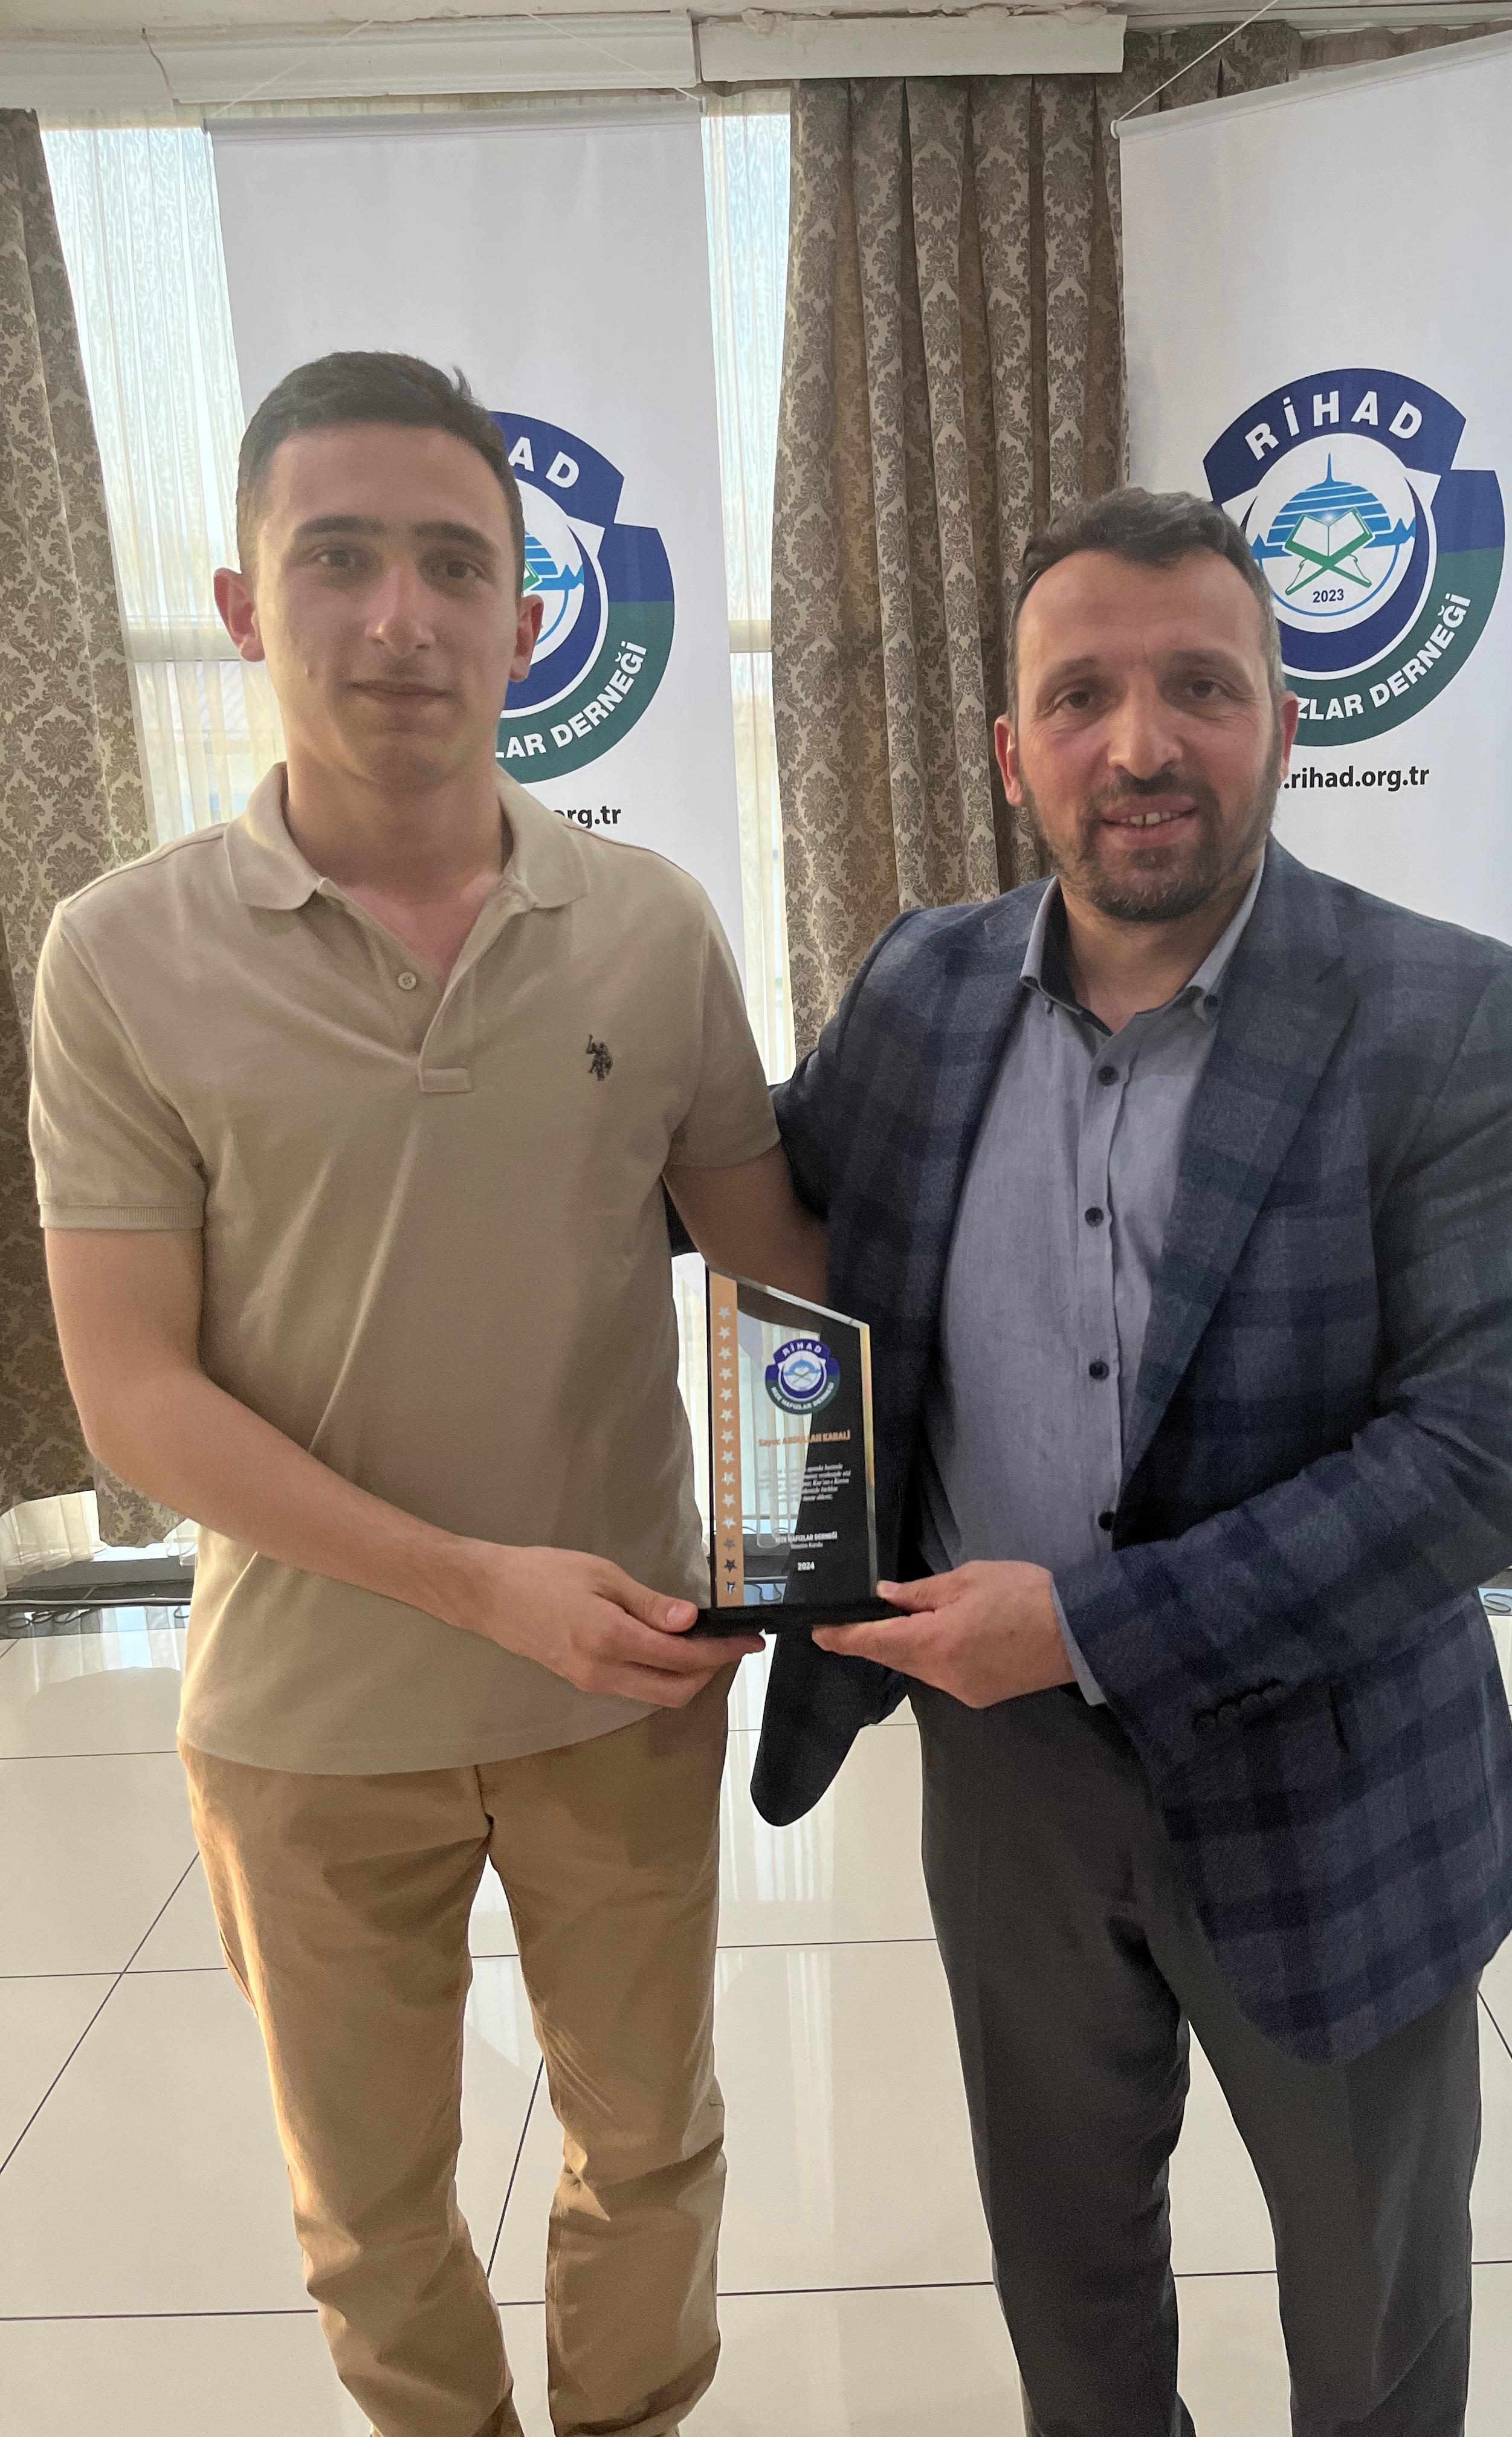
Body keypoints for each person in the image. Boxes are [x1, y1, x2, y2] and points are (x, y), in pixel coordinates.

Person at [30, 351, 818, 2437]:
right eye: (340, 558)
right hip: (305, 1719)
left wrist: (790, 1572)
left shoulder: (649, 929)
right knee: (372, 2213)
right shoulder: (118, 954)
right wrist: (476, 1585)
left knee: (650, 2148)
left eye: (456, 565)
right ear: (242, 603)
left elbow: (774, 1286)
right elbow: (134, 1395)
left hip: (621, 1690)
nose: (402, 616)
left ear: (529, 620)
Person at [751, 488, 1512, 2436]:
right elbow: (767, 1227)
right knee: (1069, 2277)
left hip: (1336, 1768)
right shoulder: (919, 989)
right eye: (1082, 696)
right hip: (1006, 1778)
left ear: (1282, 724)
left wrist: (1088, 1625)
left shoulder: (1447, 1014)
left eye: (1201, 687)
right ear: (1012, 751)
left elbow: (1487, 1453)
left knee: (1375, 2321)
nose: (1141, 743)